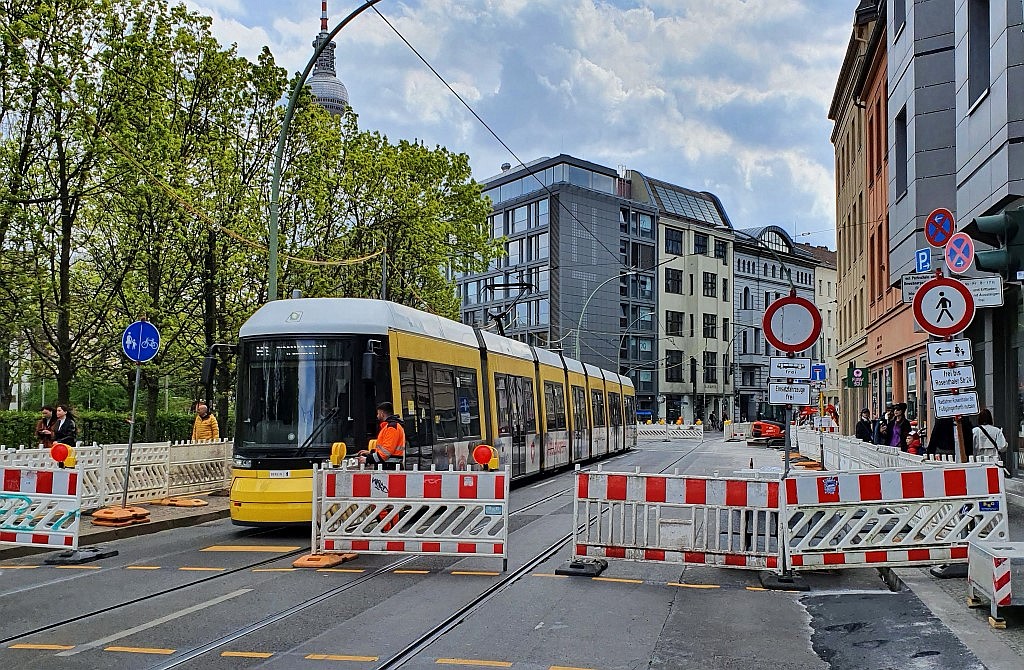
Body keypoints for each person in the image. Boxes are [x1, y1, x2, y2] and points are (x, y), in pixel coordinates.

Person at [358, 402, 405, 468]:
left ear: (382, 414)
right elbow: (387, 449)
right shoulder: (390, 426)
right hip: (390, 466)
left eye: (378, 413)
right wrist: (371, 453)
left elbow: (386, 452)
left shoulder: (391, 427)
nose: (377, 416)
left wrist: (367, 459)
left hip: (389, 467)